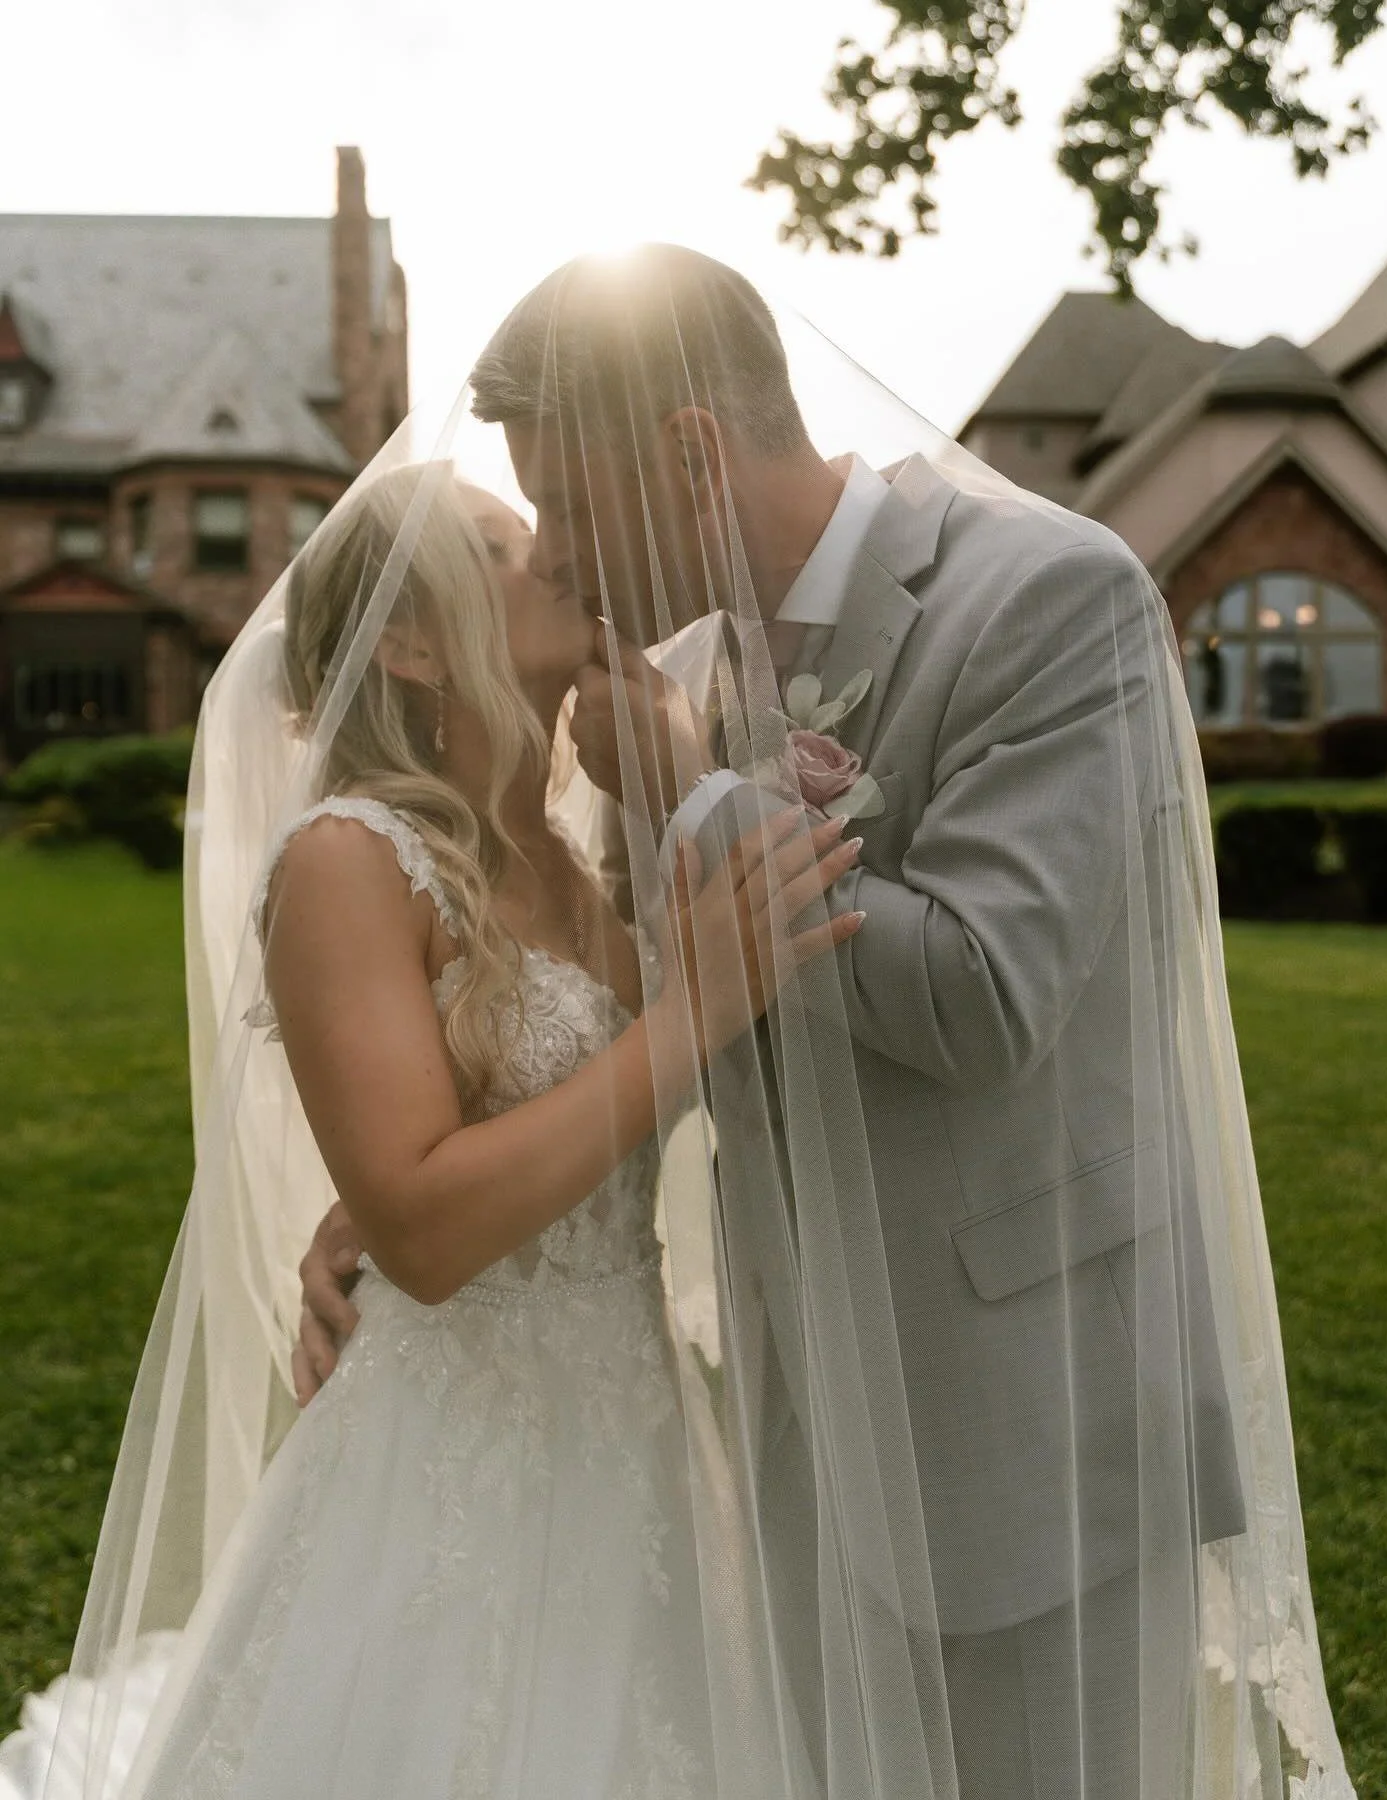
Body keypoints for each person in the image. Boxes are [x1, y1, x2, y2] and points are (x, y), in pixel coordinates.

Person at [290, 245, 1358, 1800]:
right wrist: (392, 1180)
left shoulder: (1051, 599)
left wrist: (697, 800)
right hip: (798, 1421)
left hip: (1027, 1412)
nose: (568, 562)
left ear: (688, 455)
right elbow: (630, 1014)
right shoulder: (693, 665)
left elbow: (987, 995)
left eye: (578, 510)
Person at [0, 462, 857, 1800]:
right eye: (500, 548)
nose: (556, 557)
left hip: (634, 1447)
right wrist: (689, 1016)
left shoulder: (580, 858)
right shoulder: (348, 859)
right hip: (458, 1470)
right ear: (406, 639)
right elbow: (427, 1227)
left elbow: (554, 1122)